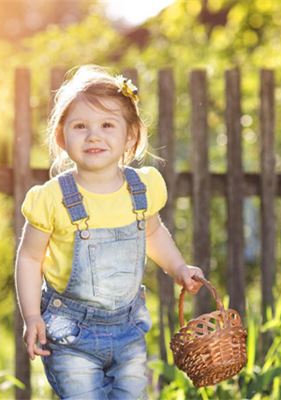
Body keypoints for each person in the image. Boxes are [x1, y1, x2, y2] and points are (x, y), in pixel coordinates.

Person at [15, 64, 204, 399]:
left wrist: (178, 267)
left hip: (128, 330)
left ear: (129, 135)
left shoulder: (141, 188)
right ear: (62, 136)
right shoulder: (52, 198)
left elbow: (154, 233)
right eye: (80, 126)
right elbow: (30, 258)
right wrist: (32, 316)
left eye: (107, 125)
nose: (93, 135)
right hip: (69, 334)